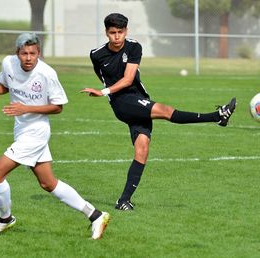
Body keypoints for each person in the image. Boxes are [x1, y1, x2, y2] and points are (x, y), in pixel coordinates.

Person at [81, 13, 237, 211]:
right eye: (113, 33)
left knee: (142, 149)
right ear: (106, 33)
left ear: (126, 31)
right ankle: (218, 116)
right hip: (122, 103)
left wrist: (103, 91)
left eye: (120, 32)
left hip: (138, 97)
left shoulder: (134, 47)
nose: (117, 37)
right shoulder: (96, 54)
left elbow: (129, 79)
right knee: (165, 110)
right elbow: (102, 75)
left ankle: (123, 201)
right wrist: (106, 91)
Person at [0, 32, 110, 239]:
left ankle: (5, 219)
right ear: (17, 53)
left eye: (33, 53)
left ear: (39, 53)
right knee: (48, 183)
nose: (28, 58)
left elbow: (58, 107)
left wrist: (25, 108)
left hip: (36, 133)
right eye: (24, 53)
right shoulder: (8, 64)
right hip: (22, 130)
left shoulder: (47, 73)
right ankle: (96, 215)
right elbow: (5, 86)